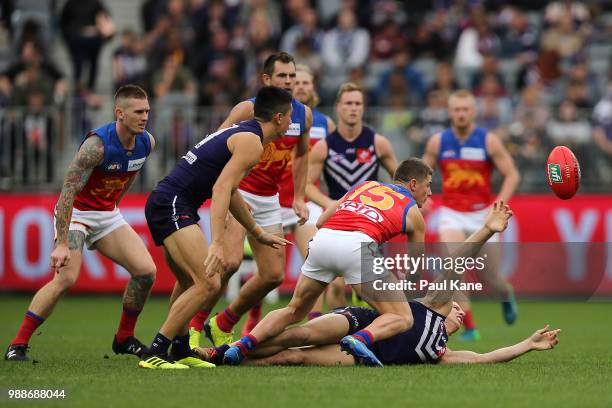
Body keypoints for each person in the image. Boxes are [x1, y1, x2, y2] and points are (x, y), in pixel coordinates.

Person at [200, 202, 559, 367]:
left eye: (460, 316)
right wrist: (486, 229)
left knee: (291, 357)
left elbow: (485, 357)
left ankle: (220, 357)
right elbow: (457, 263)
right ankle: (235, 346)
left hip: (359, 357)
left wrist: (528, 344)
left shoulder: (441, 354)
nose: (459, 313)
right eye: (457, 310)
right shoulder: (432, 308)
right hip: (359, 322)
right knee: (299, 333)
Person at [139, 86, 293, 369]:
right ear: (280, 117)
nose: (292, 123)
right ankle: (156, 351)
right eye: (291, 117)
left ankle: (181, 348)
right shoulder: (252, 143)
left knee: (189, 282)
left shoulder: (245, 133)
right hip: (173, 203)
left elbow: (231, 190)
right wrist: (218, 243)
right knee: (208, 281)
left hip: (169, 201)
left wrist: (257, 232)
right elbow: (221, 187)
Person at [222, 158, 431, 367]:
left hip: (324, 240)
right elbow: (414, 272)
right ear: (413, 184)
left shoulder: (366, 186)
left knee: (293, 310)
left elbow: (321, 221)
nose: (429, 193)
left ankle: (241, 346)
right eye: (428, 185)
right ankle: (360, 339)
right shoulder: (413, 213)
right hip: (358, 247)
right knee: (402, 317)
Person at [5, 85, 156, 361]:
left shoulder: (147, 142)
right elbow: (67, 193)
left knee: (146, 272)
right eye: (138, 112)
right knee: (66, 279)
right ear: (120, 113)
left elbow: (130, 173)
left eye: (147, 110)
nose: (145, 116)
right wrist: (62, 243)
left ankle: (123, 338)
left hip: (106, 214)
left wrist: (113, 208)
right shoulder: (96, 146)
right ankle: (17, 344)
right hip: (76, 213)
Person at [187, 52, 312, 348]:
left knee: (273, 275)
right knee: (228, 263)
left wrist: (298, 195)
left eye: (293, 76)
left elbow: (303, 153)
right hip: (240, 193)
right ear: (266, 80)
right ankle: (192, 326)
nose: (289, 81)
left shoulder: (302, 114)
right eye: (283, 76)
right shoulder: (247, 109)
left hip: (270, 199)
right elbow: (216, 141)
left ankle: (223, 322)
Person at [240, 64, 336, 336]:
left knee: (318, 260)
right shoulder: (270, 117)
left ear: (312, 87)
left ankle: (313, 323)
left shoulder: (323, 123)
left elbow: (323, 163)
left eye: (305, 81)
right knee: (266, 272)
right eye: (296, 80)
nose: (300, 85)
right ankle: (253, 318)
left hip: (304, 201)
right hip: (268, 197)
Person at [423, 89, 521, 341]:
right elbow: (422, 175)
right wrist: (423, 199)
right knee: (453, 267)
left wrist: (499, 204)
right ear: (450, 112)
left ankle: (505, 295)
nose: (461, 114)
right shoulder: (438, 142)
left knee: (492, 278)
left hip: (482, 216)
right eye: (456, 109)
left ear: (473, 112)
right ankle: (470, 327)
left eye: (465, 109)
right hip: (451, 213)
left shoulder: (488, 141)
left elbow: (512, 174)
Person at [306, 81, 399, 314]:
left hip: (370, 223)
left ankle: (370, 330)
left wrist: (388, 202)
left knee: (374, 289)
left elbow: (401, 181)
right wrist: (329, 203)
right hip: (337, 221)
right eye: (348, 103)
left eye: (358, 103)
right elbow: (306, 185)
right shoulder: (324, 146)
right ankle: (340, 335)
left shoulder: (378, 143)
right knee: (335, 287)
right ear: (338, 107)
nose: (353, 108)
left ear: (363, 108)